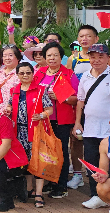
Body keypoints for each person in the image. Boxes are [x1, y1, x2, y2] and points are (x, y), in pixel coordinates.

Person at [75, 43, 110, 209]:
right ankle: (96, 194)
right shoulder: (85, 76)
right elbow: (80, 101)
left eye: (101, 56)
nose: (96, 60)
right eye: (93, 57)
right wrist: (78, 122)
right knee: (92, 162)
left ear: (108, 58)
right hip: (90, 128)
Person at [33, 42, 79, 199]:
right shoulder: (40, 73)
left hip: (62, 120)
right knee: (46, 151)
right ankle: (50, 181)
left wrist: (62, 98)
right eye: (49, 55)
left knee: (61, 152)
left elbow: (77, 99)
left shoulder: (69, 74)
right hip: (43, 119)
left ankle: (61, 185)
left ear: (61, 57)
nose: (52, 58)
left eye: (55, 55)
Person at [4, 61, 53, 208]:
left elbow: (49, 109)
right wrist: (7, 109)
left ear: (33, 74)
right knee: (24, 161)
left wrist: (42, 115)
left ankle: (39, 194)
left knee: (37, 162)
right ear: (17, 75)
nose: (25, 75)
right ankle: (29, 189)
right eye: (22, 73)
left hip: (36, 131)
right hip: (18, 132)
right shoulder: (14, 90)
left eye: (28, 73)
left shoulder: (40, 90)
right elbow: (9, 105)